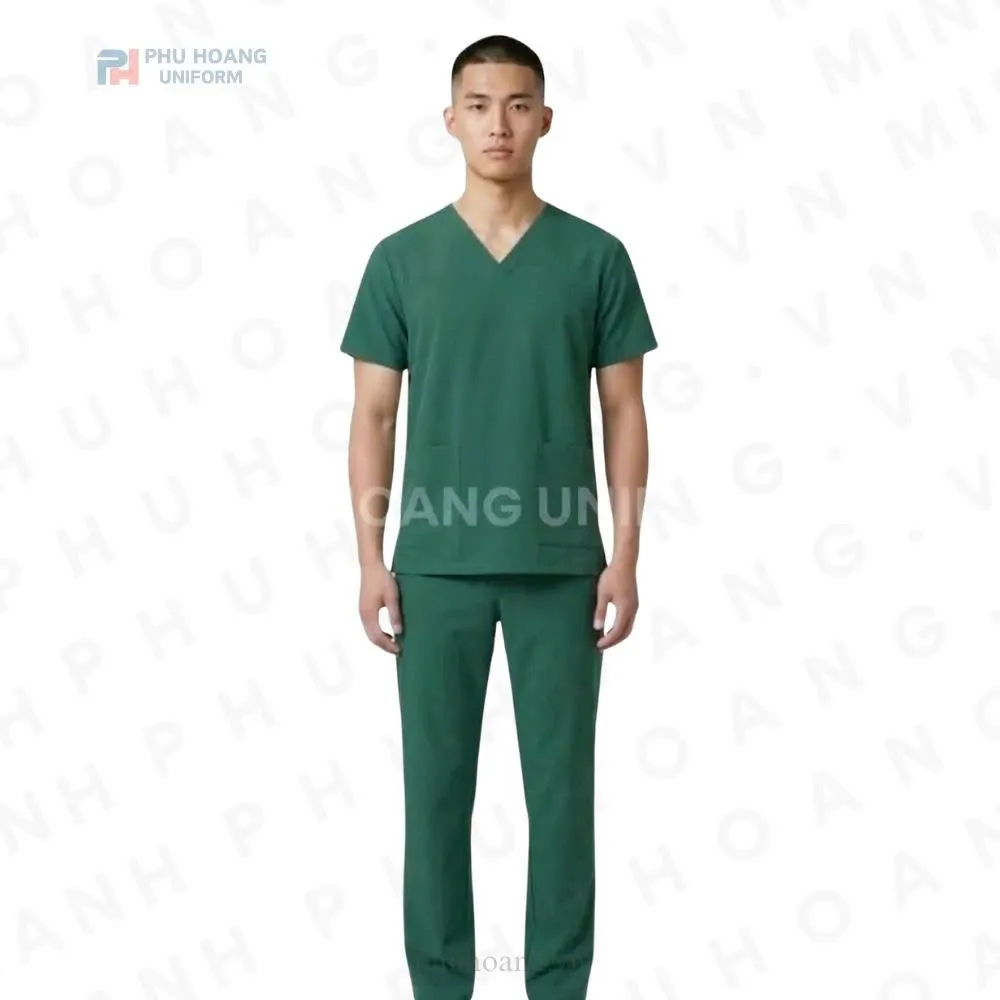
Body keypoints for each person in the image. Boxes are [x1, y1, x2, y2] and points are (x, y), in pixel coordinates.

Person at [340, 33, 657, 1000]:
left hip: (562, 564)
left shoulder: (595, 258)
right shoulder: (401, 261)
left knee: (561, 799)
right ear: (450, 120)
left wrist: (626, 555)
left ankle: (557, 985)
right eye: (478, 105)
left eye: (518, 104)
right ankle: (441, 986)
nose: (498, 124)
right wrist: (371, 558)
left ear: (545, 119)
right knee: (435, 796)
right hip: (435, 563)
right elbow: (374, 415)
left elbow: (625, 411)